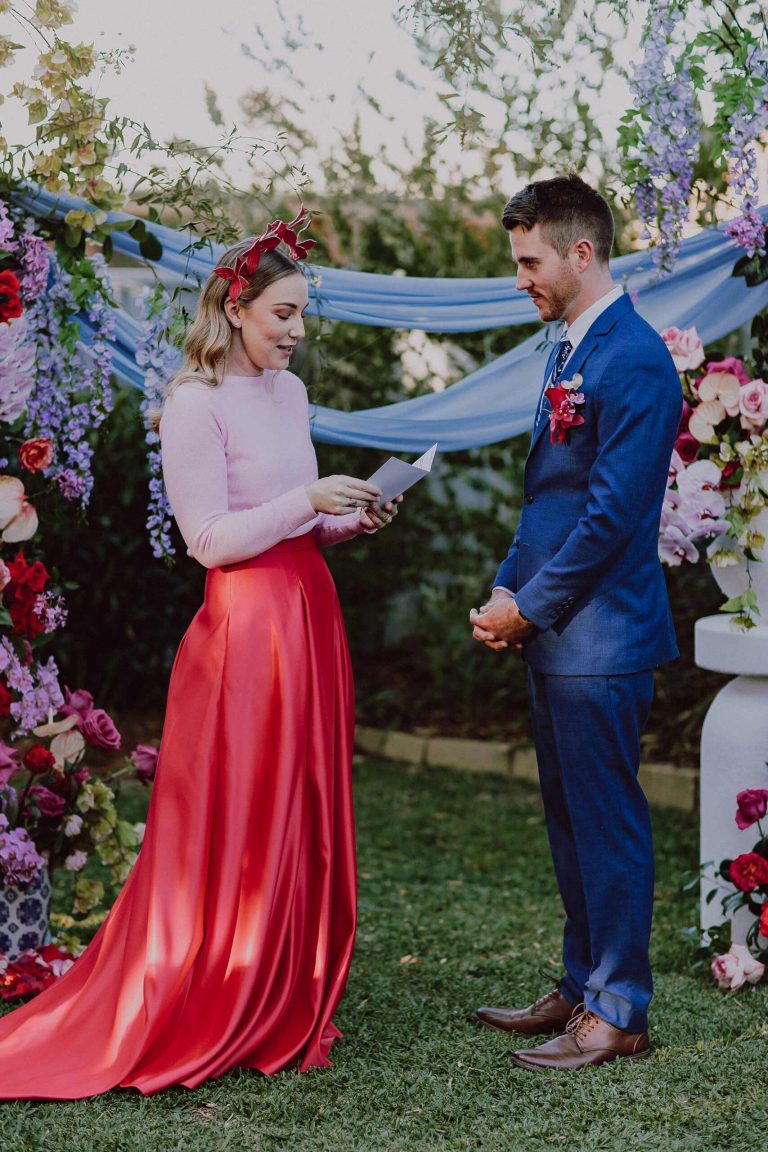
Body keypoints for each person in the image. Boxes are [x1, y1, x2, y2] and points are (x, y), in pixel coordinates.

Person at [0, 211, 400, 1097]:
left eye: (302, 317)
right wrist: (306, 500)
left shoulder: (288, 396)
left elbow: (299, 521)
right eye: (282, 316)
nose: (296, 333)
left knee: (301, 800)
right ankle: (219, 984)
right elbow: (211, 540)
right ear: (234, 305)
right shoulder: (192, 403)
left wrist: (348, 518)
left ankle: (286, 980)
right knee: (239, 812)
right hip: (247, 629)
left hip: (309, 615)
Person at [469, 175, 681, 1071]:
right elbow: (547, 502)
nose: (521, 276)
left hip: (602, 636)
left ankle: (620, 1010)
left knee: (608, 823)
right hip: (555, 629)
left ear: (580, 252)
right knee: (567, 818)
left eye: (530, 260)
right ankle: (580, 981)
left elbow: (612, 515)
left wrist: (534, 606)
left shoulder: (632, 357)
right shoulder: (568, 349)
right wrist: (507, 587)